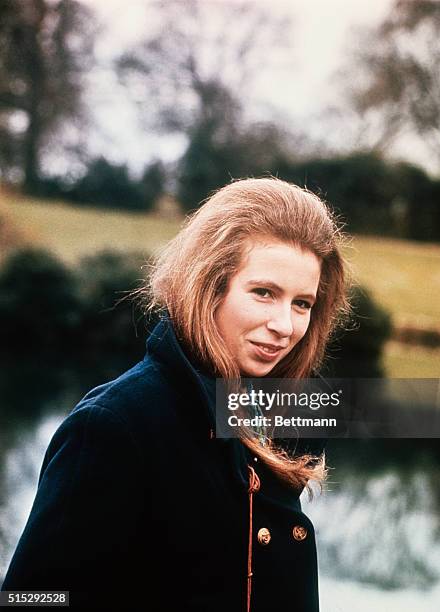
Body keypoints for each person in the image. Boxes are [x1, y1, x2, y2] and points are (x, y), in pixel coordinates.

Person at [1, 177, 349, 611]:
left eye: (302, 303)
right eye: (264, 293)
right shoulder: (117, 424)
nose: (285, 325)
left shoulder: (285, 410)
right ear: (209, 286)